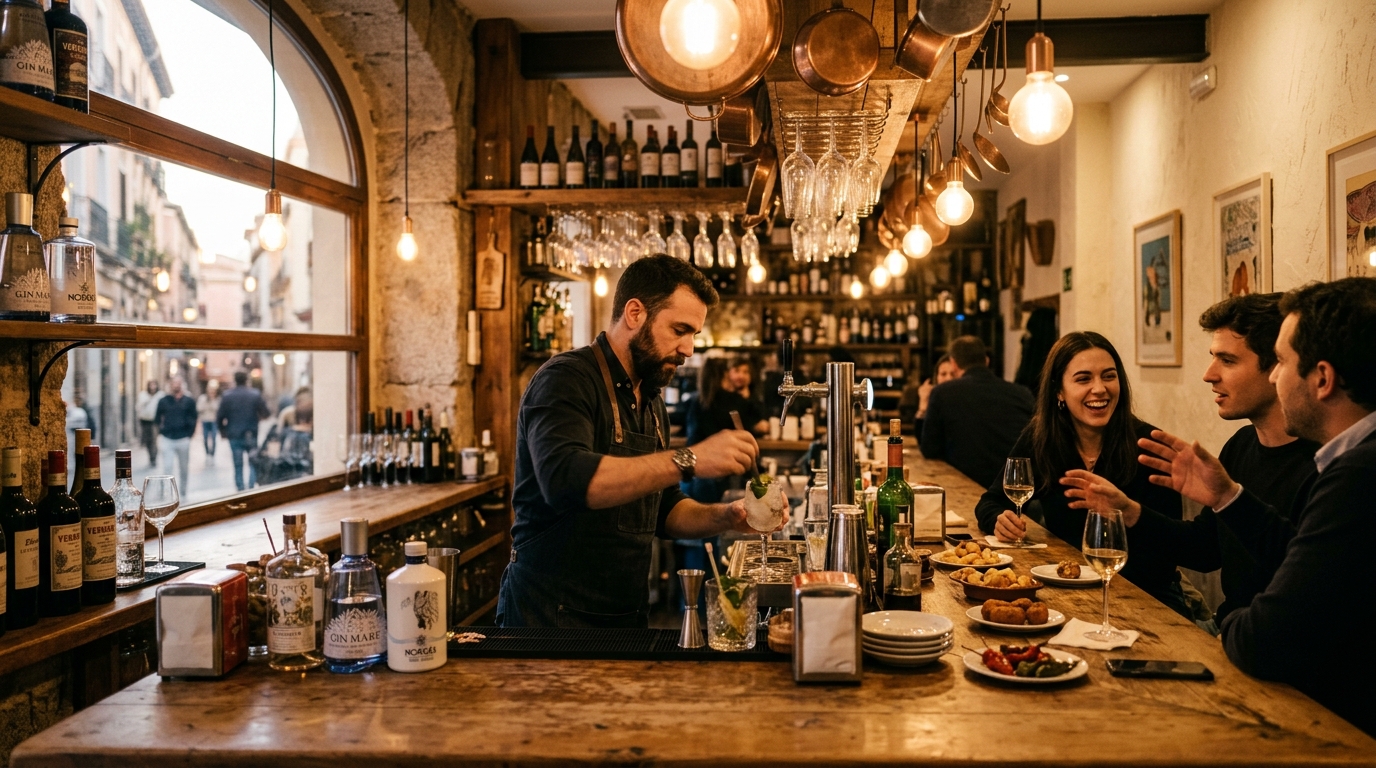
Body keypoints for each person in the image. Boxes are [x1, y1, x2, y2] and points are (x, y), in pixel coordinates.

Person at [1136, 278, 1376, 735]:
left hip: (1325, 714)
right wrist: (1227, 499)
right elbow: (1294, 561)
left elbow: (1271, 637)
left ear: (1322, 378)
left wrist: (1221, 626)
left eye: (1282, 363)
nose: (1275, 376)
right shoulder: (1329, 459)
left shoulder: (1352, 474)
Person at [498, 254, 778, 629]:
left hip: (624, 615)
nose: (689, 349)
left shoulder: (649, 398)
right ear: (634, 313)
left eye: (694, 334)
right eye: (679, 330)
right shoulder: (566, 378)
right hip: (550, 620)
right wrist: (688, 458)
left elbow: (662, 510)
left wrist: (727, 516)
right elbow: (565, 479)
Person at [1126, 294, 1318, 630]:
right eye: (1213, 358)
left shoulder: (1324, 465)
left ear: (1276, 367)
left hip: (1268, 643)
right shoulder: (1241, 445)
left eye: (1227, 361)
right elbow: (1205, 550)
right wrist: (1131, 513)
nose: (1208, 375)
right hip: (1228, 627)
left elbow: (1310, 585)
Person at [975, 331, 1190, 617]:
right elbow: (991, 501)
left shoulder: (1149, 445)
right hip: (1066, 595)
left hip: (1148, 599)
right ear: (1059, 392)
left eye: (1109, 376)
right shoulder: (1042, 439)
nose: (1099, 388)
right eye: (1083, 379)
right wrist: (999, 520)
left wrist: (1128, 511)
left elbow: (1172, 548)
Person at [919, 336, 1034, 488]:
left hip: (966, 486)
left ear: (953, 364)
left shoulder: (942, 393)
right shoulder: (1022, 393)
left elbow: (930, 450)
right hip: (1018, 488)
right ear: (986, 361)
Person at [217, 371, 269, 492]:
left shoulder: (227, 395)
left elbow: (220, 417)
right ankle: (251, 487)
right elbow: (266, 413)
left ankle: (240, 489)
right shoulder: (254, 394)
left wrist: (223, 432)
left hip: (234, 434)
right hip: (250, 433)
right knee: (253, 461)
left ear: (235, 380)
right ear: (246, 380)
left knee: (238, 464)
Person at [155, 377, 197, 491]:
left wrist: (190, 433)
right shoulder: (163, 401)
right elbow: (157, 418)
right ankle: (167, 491)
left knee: (184, 467)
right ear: (170, 385)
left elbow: (194, 417)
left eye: (178, 383)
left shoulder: (189, 401)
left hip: (183, 437)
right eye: (174, 383)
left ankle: (183, 490)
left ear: (182, 385)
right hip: (167, 437)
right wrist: (161, 430)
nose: (176, 385)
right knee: (167, 467)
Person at [905, 354, 956, 434]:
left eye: (953, 374)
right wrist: (923, 405)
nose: (948, 378)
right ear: (936, 378)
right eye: (943, 374)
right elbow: (922, 439)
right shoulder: (932, 399)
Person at [135, 380, 163, 468]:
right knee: (147, 440)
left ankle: (154, 458)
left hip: (155, 420)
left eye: (154, 384)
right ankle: (150, 456)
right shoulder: (143, 395)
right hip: (144, 420)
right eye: (151, 385)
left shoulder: (160, 395)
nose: (152, 387)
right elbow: (138, 406)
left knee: (154, 439)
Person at [197, 380, 221, 467]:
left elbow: (218, 409)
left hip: (214, 421)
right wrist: (207, 404)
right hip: (205, 420)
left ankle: (212, 454)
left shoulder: (217, 399)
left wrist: (212, 403)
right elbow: (199, 408)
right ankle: (207, 454)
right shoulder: (203, 398)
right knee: (205, 437)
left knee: (214, 438)